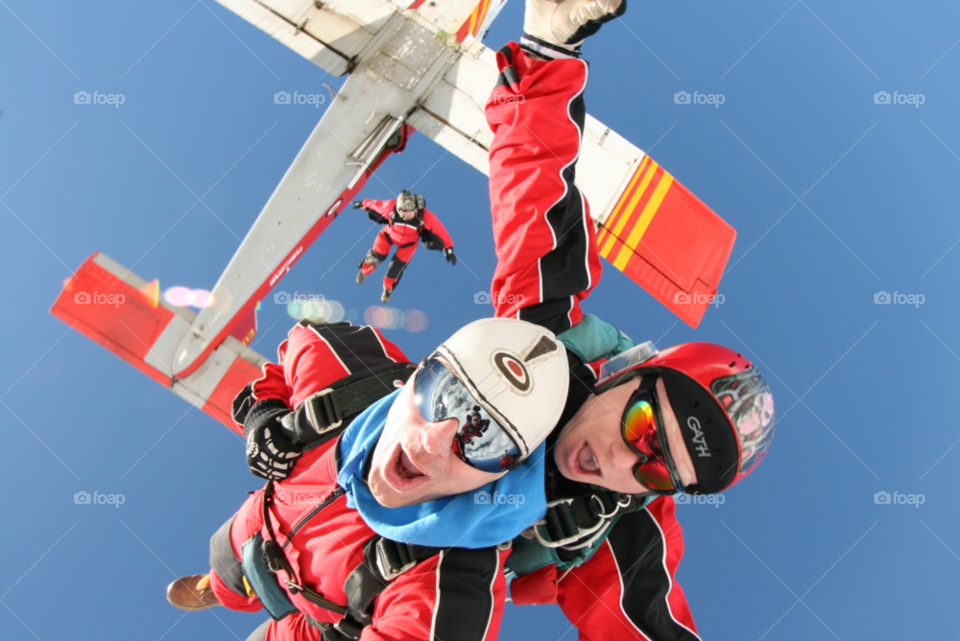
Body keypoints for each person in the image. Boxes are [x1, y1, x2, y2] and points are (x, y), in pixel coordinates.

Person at [170, 1, 777, 638]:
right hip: (299, 504)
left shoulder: (614, 525)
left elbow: (646, 624)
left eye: (657, 470)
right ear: (626, 377)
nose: (623, 461)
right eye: (645, 423)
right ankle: (220, 588)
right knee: (232, 565)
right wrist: (546, 54)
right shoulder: (538, 348)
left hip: (367, 590)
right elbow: (537, 210)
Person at [167, 317, 570, 640]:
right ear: (418, 373)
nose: (430, 444)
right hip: (266, 519)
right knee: (230, 556)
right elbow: (302, 339)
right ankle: (218, 589)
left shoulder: (451, 577)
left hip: (326, 617)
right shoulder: (346, 379)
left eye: (482, 439)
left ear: (503, 471)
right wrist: (266, 415)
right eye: (443, 394)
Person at [352, 190, 456, 302]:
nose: (409, 214)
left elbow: (440, 230)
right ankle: (364, 272)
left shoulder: (424, 216)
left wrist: (448, 248)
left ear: (416, 207)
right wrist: (363, 203)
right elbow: (377, 205)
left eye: (413, 210)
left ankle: (388, 289)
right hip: (388, 235)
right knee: (377, 255)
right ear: (399, 208)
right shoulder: (391, 207)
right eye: (405, 211)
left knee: (396, 268)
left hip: (408, 244)